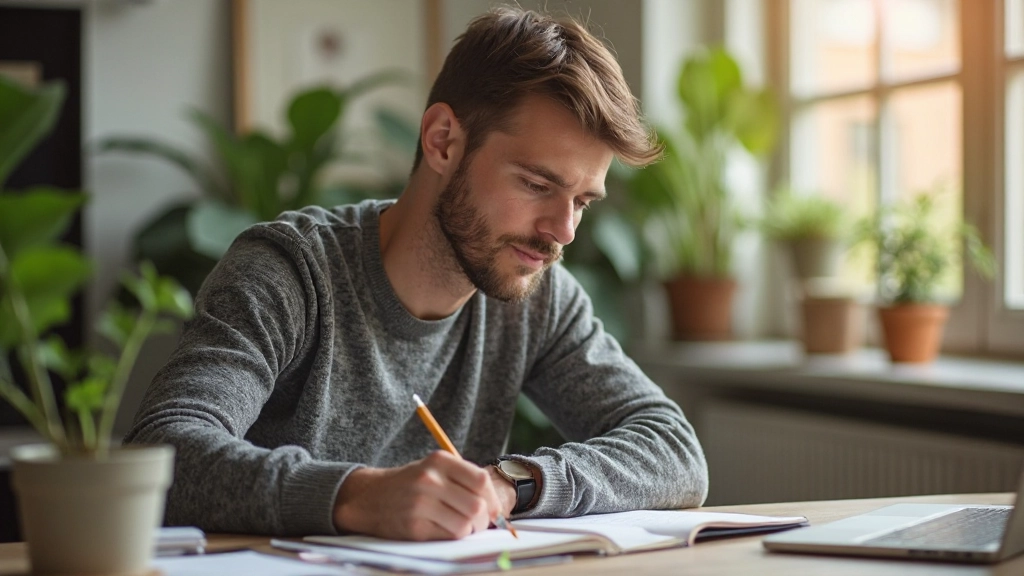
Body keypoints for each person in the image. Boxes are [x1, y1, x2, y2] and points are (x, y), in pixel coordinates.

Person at [125, 5, 708, 541]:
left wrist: (514, 484)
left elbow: (674, 451)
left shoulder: (539, 298)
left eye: (582, 200)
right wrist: (352, 497)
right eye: (536, 185)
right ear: (442, 141)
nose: (563, 231)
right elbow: (164, 451)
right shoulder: (290, 273)